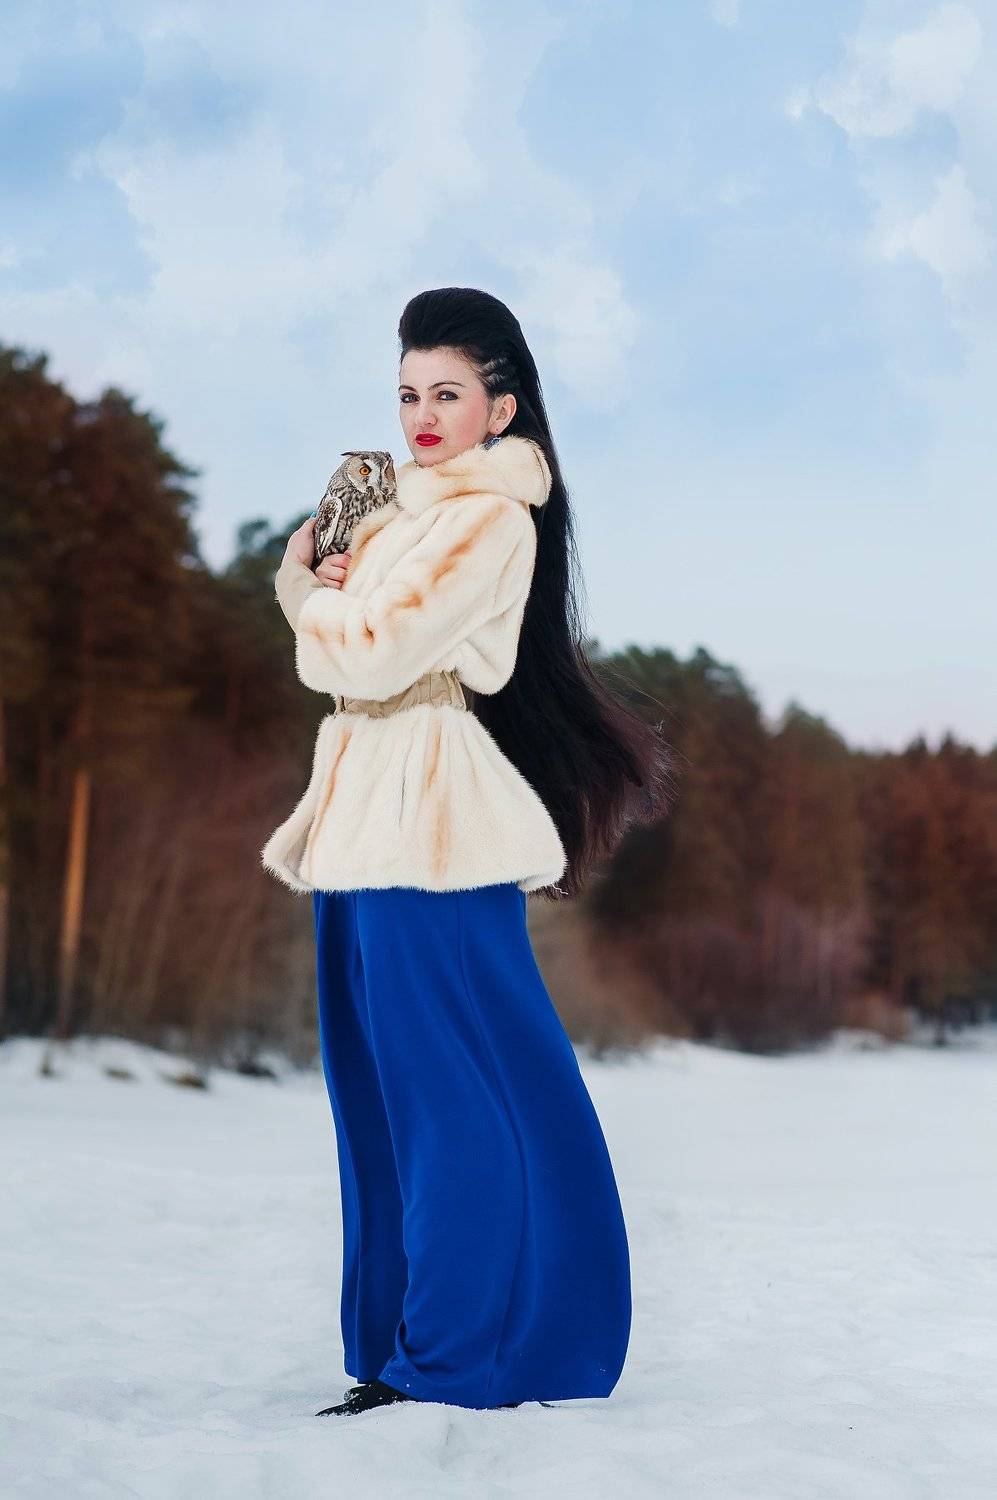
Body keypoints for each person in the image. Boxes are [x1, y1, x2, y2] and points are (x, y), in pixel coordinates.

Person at [262, 287, 674, 1416]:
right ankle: (397, 1349)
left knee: (449, 1098)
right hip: (360, 813)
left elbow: (375, 650)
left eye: (447, 393)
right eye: (407, 394)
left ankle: (457, 1357)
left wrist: (300, 589)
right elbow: (357, 656)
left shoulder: (491, 520)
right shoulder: (398, 513)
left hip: (429, 823)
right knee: (378, 1101)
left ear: (501, 407)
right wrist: (336, 576)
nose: (421, 416)